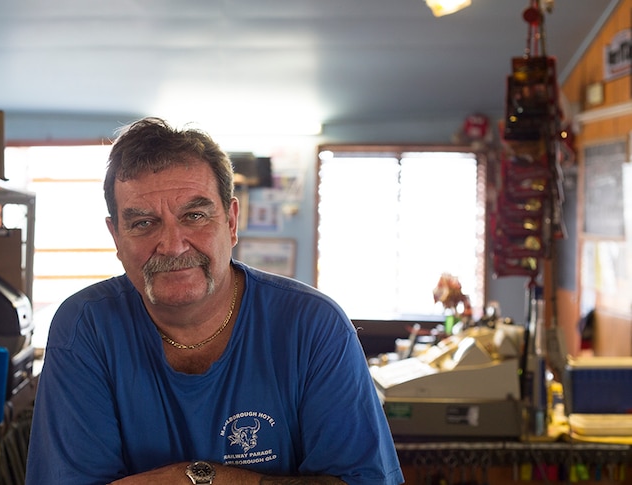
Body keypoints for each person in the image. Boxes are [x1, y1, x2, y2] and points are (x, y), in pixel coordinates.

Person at [25, 117, 404, 485]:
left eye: (194, 215)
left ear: (232, 221)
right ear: (116, 238)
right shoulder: (85, 327)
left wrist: (197, 477)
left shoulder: (314, 326)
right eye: (143, 223)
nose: (172, 246)